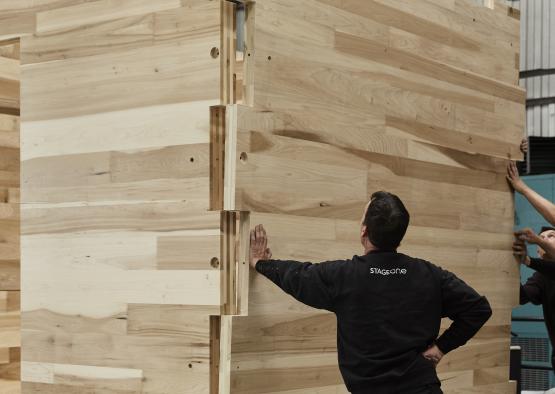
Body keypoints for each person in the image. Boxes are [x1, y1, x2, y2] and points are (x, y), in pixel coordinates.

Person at [249, 191, 492, 394]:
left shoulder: (344, 276)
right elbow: (478, 309)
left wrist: (261, 263)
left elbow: (297, 275)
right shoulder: (429, 275)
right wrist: (441, 347)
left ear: (364, 231)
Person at [513, 227, 555, 371]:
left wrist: (529, 260)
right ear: (538, 252)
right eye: (542, 238)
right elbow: (520, 297)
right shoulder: (540, 277)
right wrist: (515, 265)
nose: (545, 239)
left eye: (551, 236)